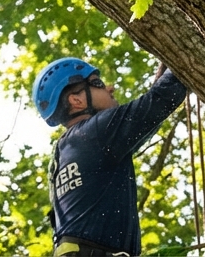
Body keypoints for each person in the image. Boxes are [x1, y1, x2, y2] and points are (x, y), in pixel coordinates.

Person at [33, 57, 187, 256]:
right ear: (77, 100)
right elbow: (161, 98)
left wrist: (166, 58)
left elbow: (145, 121)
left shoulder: (69, 148)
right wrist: (182, 55)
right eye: (98, 83)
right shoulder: (96, 132)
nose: (111, 88)